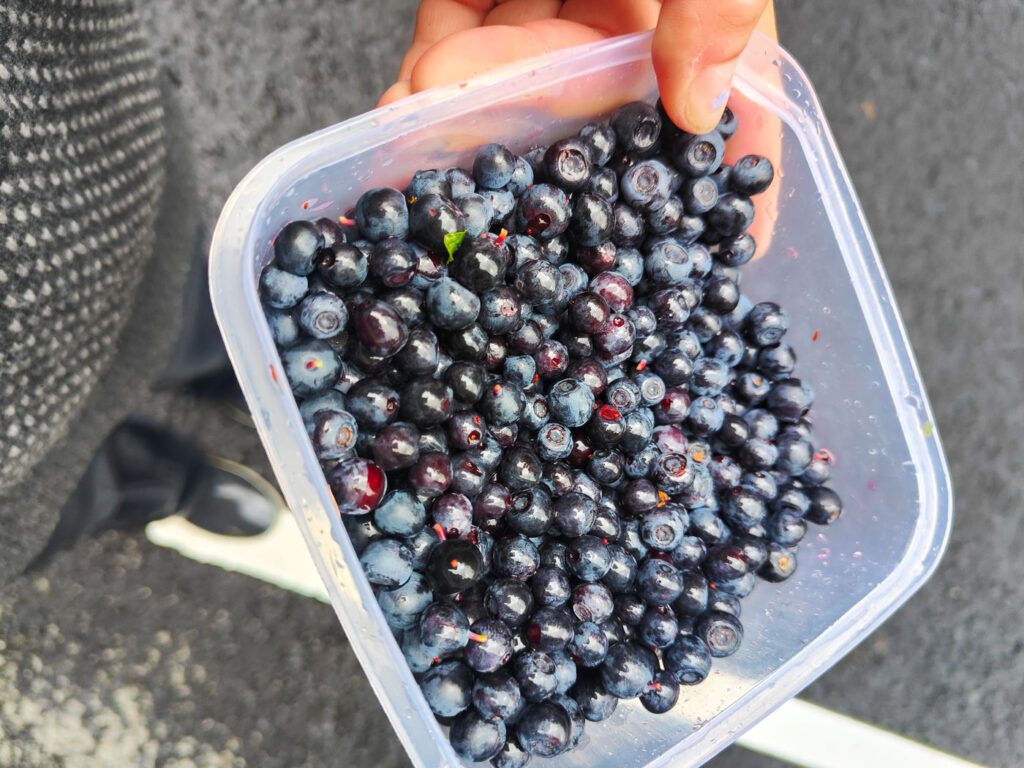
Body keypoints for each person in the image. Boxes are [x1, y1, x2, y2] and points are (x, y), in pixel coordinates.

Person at [0, 0, 776, 583]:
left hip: (81, 155)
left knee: (222, 314)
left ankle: (207, 422)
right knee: (44, 505)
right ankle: (156, 481)